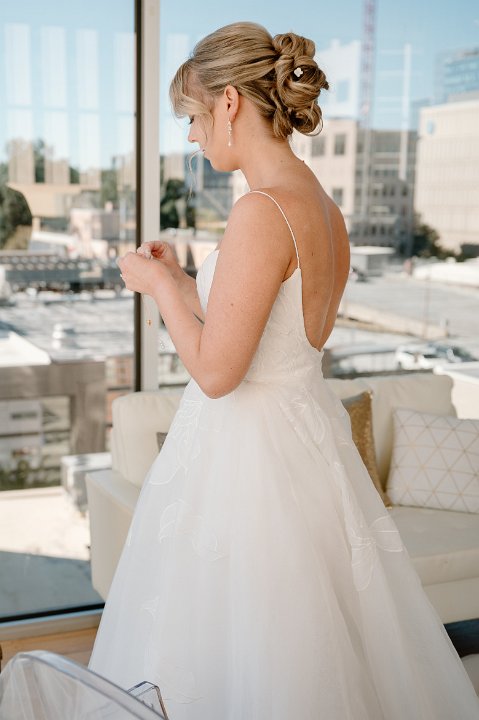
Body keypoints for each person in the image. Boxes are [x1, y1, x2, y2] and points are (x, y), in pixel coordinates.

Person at [89, 22, 479, 719]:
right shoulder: (323, 210)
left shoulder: (260, 211)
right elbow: (269, 334)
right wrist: (178, 282)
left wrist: (153, 291)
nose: (193, 137)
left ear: (230, 102)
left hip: (247, 460)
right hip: (305, 442)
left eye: (193, 117)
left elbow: (217, 374)